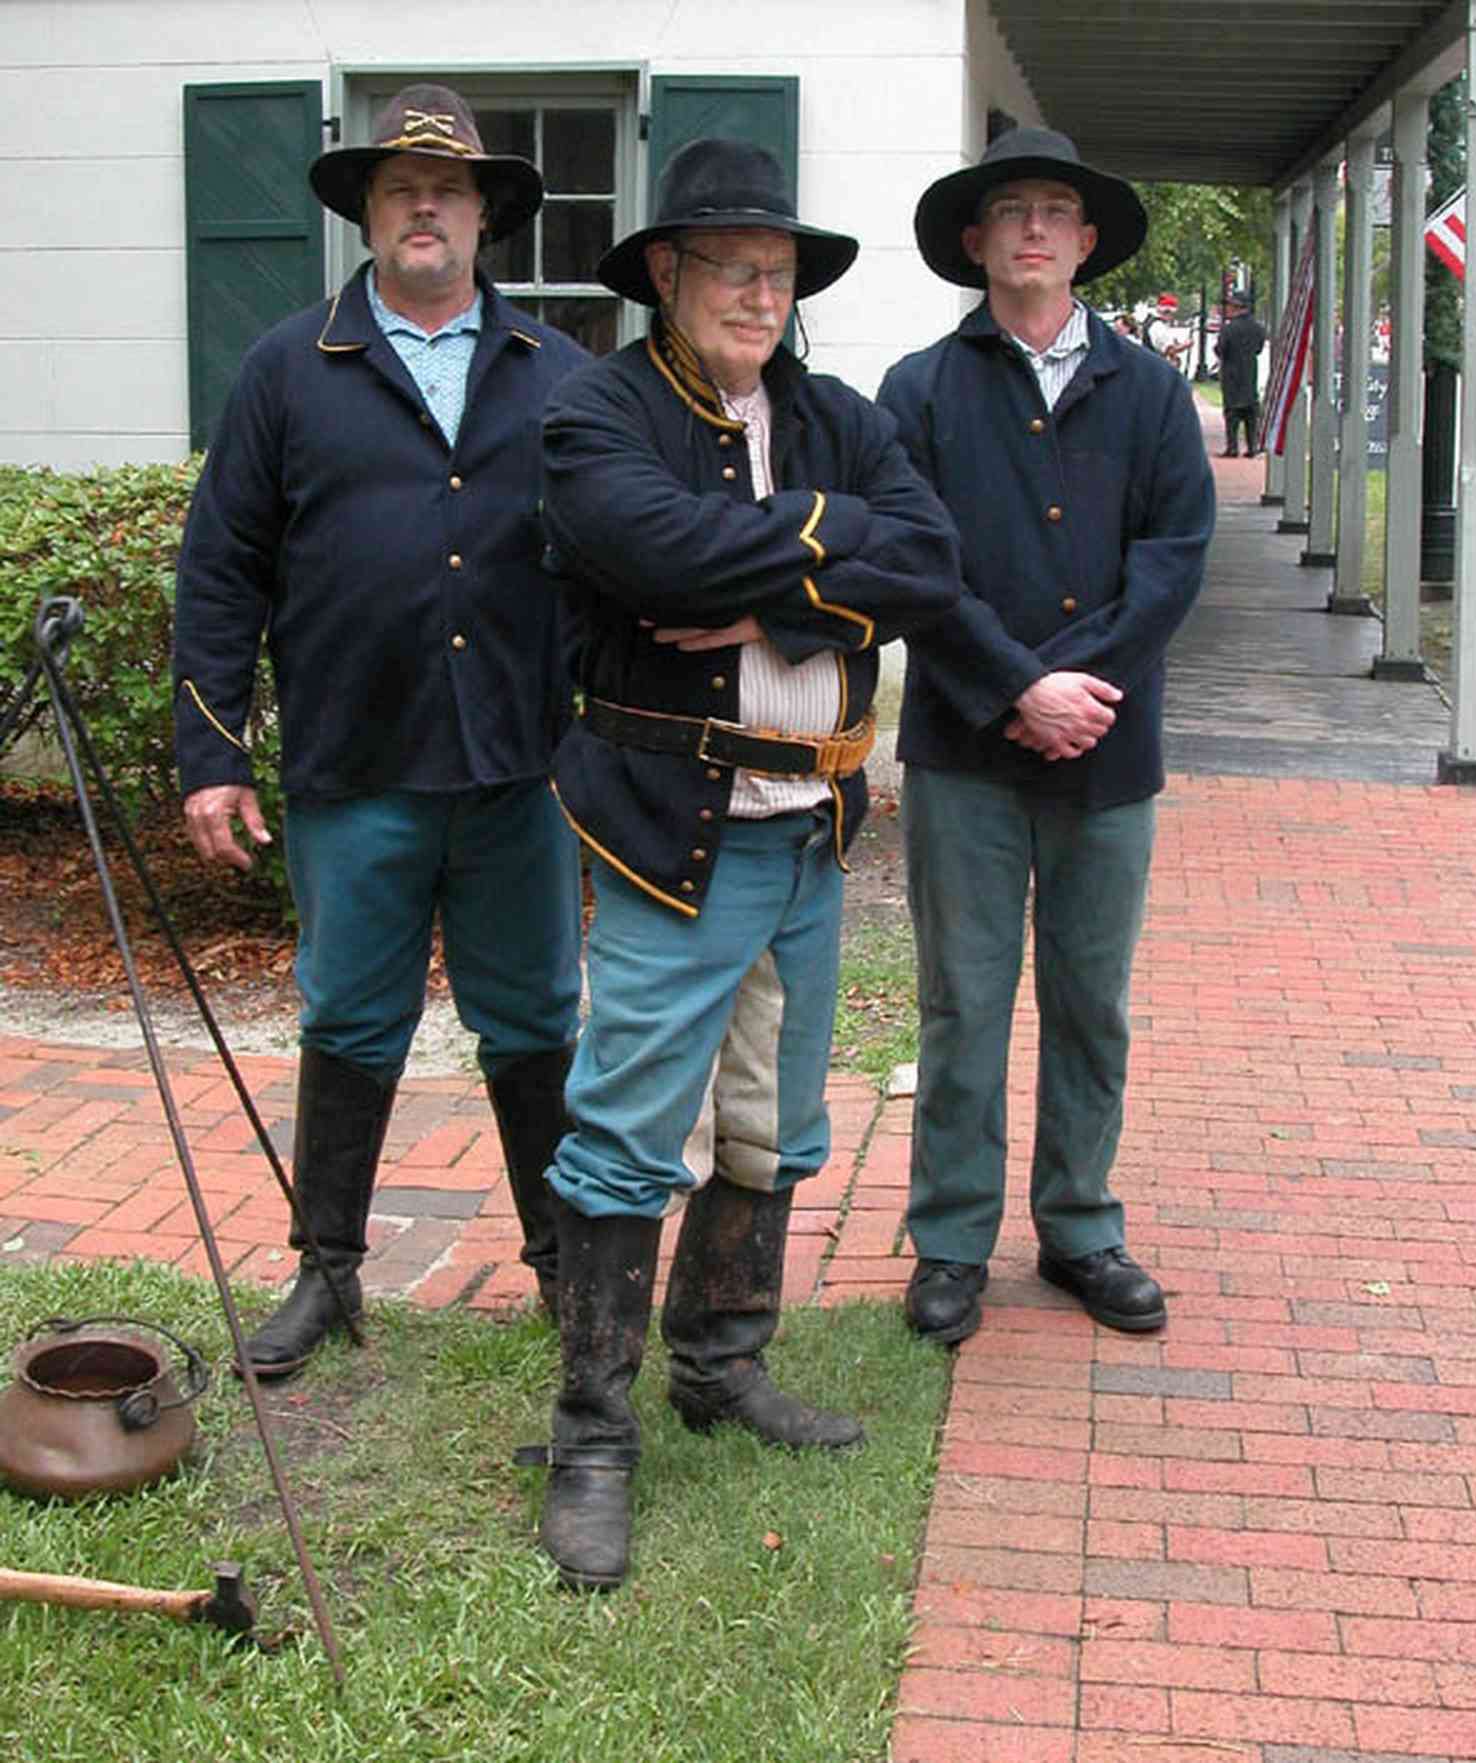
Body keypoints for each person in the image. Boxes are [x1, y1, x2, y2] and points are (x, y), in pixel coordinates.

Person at [530, 137, 962, 1592]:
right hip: (670, 835)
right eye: (732, 267)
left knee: (773, 1118)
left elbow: (933, 560)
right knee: (626, 1129)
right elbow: (652, 555)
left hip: (812, 832)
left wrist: (783, 590)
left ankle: (721, 1363)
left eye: (779, 274)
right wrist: (834, 571)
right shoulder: (599, 412)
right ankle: (592, 1428)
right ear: (666, 273)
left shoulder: (835, 414)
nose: (760, 295)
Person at [173, 85, 590, 1378]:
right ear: (367, 208)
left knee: (532, 1018)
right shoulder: (287, 366)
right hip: (355, 764)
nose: (424, 204)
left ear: (484, 213)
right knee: (350, 1018)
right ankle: (328, 1272)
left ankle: (566, 1271)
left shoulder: (561, 377)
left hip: (521, 765)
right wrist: (212, 753)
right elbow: (221, 568)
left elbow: (621, 559)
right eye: (400, 185)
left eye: (447, 186)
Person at [878, 125, 1215, 1347]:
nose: (1032, 226)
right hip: (967, 750)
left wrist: (1076, 691)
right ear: (975, 241)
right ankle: (952, 1241)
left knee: (1090, 1000)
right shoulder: (917, 391)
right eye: (1009, 207)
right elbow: (910, 567)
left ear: (1084, 243)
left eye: (1054, 210)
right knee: (963, 1001)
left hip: (1108, 756)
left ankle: (1080, 1226)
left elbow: (1174, 562)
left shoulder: (1153, 392)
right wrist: (1017, 688)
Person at [1216, 289, 1269, 456]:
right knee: (1251, 412)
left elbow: (1221, 350)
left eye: (1231, 306)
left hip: (1231, 374)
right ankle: (1252, 446)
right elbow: (1259, 349)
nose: (1228, 309)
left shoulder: (1229, 329)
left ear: (1238, 307)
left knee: (1231, 412)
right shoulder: (1258, 328)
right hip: (1250, 372)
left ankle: (1232, 447)